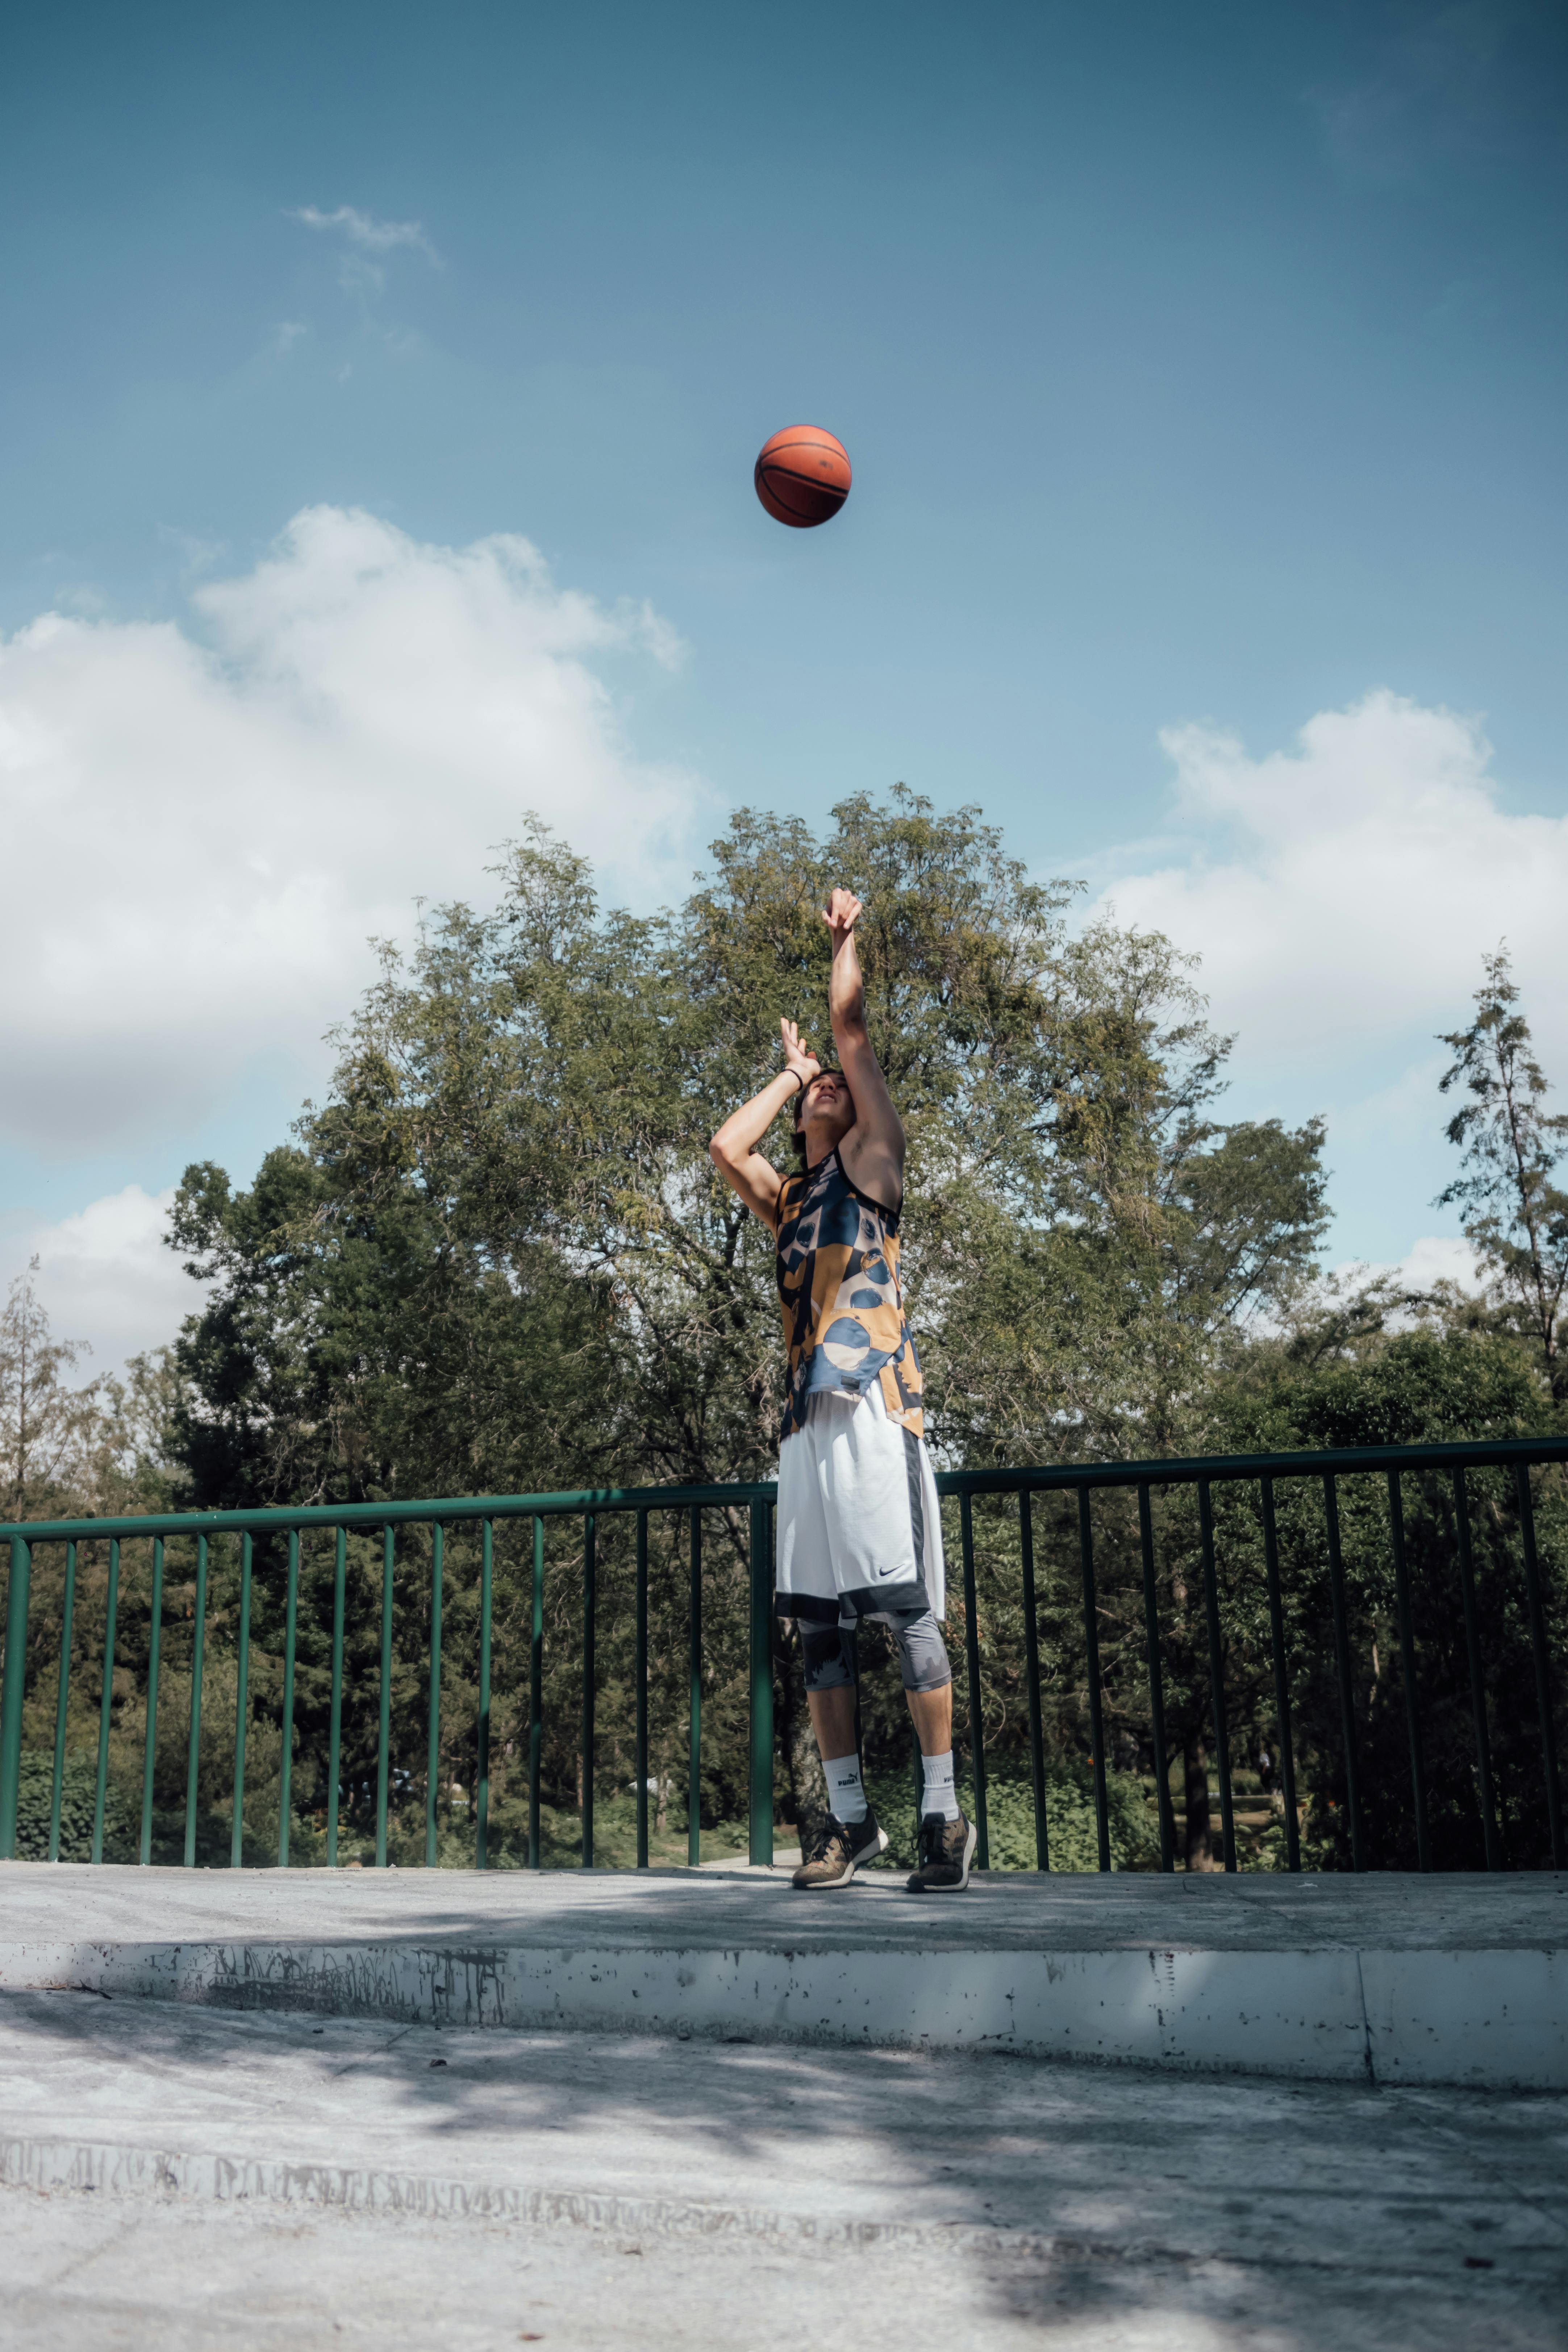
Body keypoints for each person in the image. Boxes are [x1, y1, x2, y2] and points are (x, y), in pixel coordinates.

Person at [708, 886, 976, 1893]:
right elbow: (725, 1148)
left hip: (873, 1406)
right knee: (818, 1626)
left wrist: (846, 942)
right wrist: (789, 1073)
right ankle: (852, 1823)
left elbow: (851, 1029)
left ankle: (943, 1817)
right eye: (816, 1084)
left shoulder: (873, 1162)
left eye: (833, 1082)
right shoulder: (788, 1197)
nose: (829, 1081)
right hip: (804, 1428)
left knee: (906, 1616)